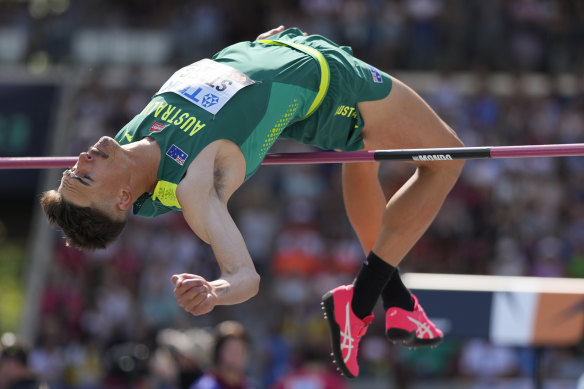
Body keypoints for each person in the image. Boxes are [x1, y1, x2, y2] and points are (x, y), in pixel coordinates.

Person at [41, 26, 464, 378]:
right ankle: (362, 300)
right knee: (447, 158)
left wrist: (262, 49)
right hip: (331, 85)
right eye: (83, 176)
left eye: (72, 171)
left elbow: (222, 83)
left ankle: (397, 303)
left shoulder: (130, 140)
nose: (80, 159)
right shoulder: (192, 185)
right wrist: (213, 292)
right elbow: (245, 276)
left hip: (290, 49)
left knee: (363, 153)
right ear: (120, 198)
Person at [189, 321, 253, 389]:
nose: (236, 356)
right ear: (218, 352)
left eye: (240, 351)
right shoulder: (205, 386)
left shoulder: (247, 385)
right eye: (231, 350)